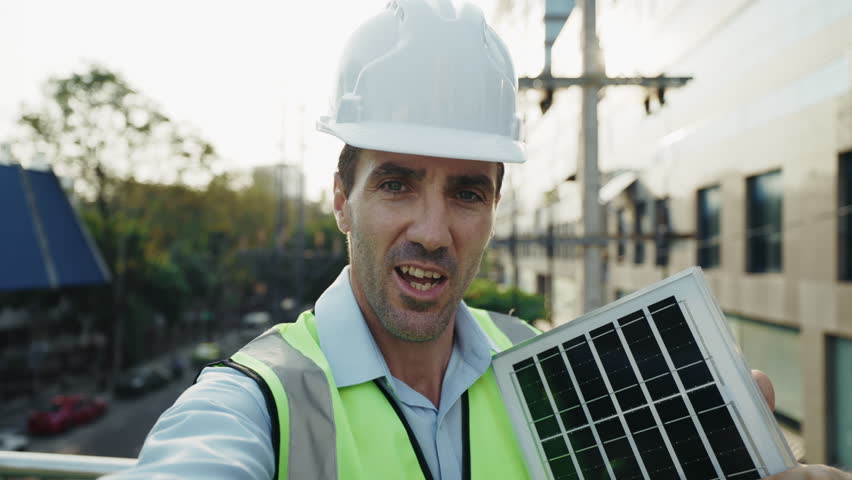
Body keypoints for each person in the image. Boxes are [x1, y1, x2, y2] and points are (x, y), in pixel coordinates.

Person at [105, 1, 850, 479]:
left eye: (465, 192)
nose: (433, 232)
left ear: (495, 205)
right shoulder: (253, 401)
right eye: (397, 183)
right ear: (341, 198)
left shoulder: (545, 364)